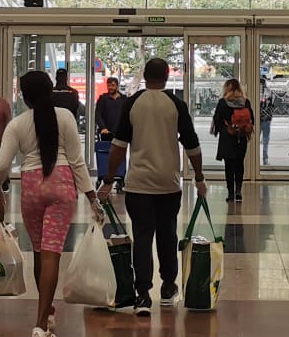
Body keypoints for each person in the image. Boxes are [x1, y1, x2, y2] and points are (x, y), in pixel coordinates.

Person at [0, 70, 98, 337]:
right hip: (61, 187)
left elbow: (1, 165)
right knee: (52, 254)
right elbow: (76, 161)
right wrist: (91, 197)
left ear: (23, 97)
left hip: (31, 188)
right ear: (50, 91)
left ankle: (46, 314)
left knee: (39, 252)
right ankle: (39, 326)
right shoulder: (66, 117)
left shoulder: (17, 124)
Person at [101, 57, 207, 315]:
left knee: (142, 238)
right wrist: (200, 177)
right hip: (168, 184)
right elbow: (192, 144)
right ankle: (168, 287)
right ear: (167, 76)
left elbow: (118, 145)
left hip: (138, 185)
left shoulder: (132, 103)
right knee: (168, 235)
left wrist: (108, 179)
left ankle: (143, 295)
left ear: (145, 75)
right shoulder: (176, 104)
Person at [210, 78, 253, 203]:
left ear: (226, 88)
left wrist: (222, 129)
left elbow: (217, 120)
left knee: (229, 165)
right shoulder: (245, 102)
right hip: (241, 137)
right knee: (239, 163)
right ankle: (238, 191)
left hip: (227, 137)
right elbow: (252, 120)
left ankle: (230, 193)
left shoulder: (223, 103)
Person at [94, 77, 127, 186]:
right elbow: (98, 115)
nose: (110, 87)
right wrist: (103, 127)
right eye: (108, 85)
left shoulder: (124, 99)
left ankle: (120, 175)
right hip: (106, 133)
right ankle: (106, 174)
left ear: (117, 86)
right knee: (106, 154)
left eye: (112, 85)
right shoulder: (103, 99)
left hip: (120, 133)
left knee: (121, 155)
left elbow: (126, 116)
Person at [258, 92, 275, 166]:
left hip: (263, 123)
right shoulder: (264, 105)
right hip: (263, 123)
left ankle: (265, 159)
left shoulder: (267, 105)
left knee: (265, 142)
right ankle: (264, 159)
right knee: (264, 142)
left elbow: (270, 114)